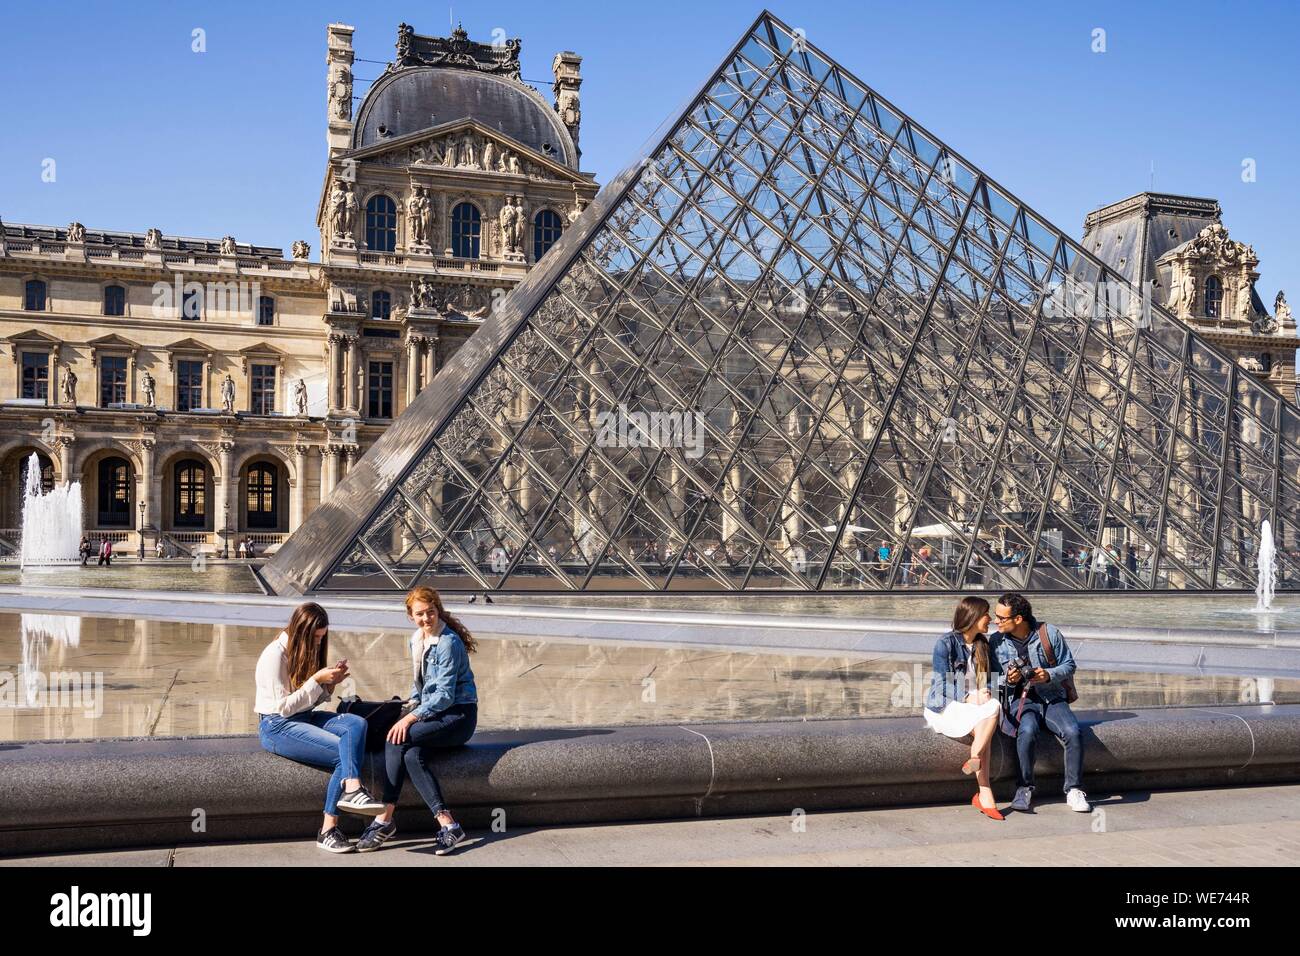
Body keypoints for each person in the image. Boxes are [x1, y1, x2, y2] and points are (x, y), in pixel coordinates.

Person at [255, 602, 386, 852]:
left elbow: (306, 701)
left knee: (356, 723)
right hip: (276, 726)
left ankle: (352, 789)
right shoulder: (274, 654)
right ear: (301, 631)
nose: (318, 643)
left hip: (302, 717)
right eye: (315, 637)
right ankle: (328, 829)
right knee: (342, 753)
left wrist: (329, 685)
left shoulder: (304, 649)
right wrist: (316, 680)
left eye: (321, 638)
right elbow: (283, 708)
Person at [358, 585, 478, 854]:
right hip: (436, 715)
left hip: (459, 716)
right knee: (412, 756)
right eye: (420, 614)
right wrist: (406, 710)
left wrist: (409, 719)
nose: (426, 618)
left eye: (431, 612)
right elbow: (420, 688)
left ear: (438, 610)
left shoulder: (448, 642)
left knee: (396, 739)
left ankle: (384, 818)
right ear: (410, 616)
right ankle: (448, 825)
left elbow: (445, 696)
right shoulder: (416, 639)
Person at [991, 592, 1090, 813]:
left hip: (1051, 697)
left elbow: (1069, 665)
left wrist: (1048, 674)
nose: (995, 621)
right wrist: (1007, 679)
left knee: (1072, 731)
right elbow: (990, 681)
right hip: (1019, 700)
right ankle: (1024, 787)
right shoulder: (996, 641)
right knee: (1026, 731)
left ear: (1018, 619)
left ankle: (1074, 789)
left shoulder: (1049, 633)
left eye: (1001, 617)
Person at [923, 597, 1004, 820]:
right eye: (987, 614)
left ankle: (975, 759)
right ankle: (984, 792)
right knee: (987, 722)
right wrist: (968, 696)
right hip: (947, 705)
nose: (991, 619)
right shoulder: (946, 643)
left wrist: (988, 689)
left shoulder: (983, 645)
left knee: (994, 704)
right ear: (973, 617)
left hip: (976, 705)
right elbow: (940, 684)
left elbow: (994, 679)